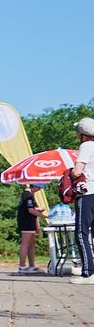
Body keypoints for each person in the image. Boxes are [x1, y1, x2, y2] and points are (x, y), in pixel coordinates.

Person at [69, 117, 94, 285]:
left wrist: (70, 173)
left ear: (83, 134)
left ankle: (88, 273)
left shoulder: (86, 146)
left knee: (81, 233)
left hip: (88, 193)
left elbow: (77, 172)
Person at [15, 184, 45, 275]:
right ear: (34, 186)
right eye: (38, 188)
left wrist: (39, 210)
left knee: (31, 244)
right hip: (26, 221)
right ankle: (22, 266)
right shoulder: (27, 195)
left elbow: (32, 208)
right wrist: (44, 216)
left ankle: (32, 266)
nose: (39, 190)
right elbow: (30, 210)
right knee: (25, 243)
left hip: (30, 221)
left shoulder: (30, 195)